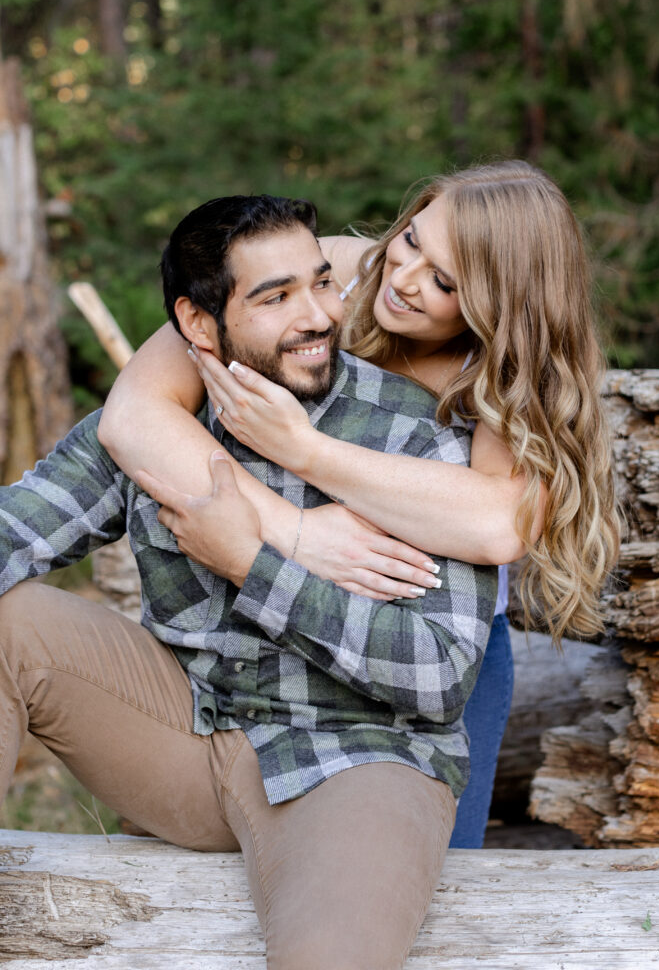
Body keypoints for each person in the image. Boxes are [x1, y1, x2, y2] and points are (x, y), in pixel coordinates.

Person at [0, 194, 496, 970]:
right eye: (275, 298)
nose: (318, 317)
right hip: (186, 731)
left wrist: (255, 565)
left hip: (355, 754)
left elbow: (437, 680)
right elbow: (17, 529)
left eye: (322, 284)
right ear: (199, 326)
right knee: (9, 620)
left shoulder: (418, 436)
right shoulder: (160, 423)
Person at [99, 160, 621, 847]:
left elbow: (499, 525)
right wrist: (292, 531)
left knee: (432, 875)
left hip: (430, 644)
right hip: (252, 617)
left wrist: (303, 451)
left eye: (444, 283)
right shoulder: (325, 275)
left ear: (502, 305)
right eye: (411, 240)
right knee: (194, 864)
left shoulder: (505, 371)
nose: (403, 280)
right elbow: (131, 417)